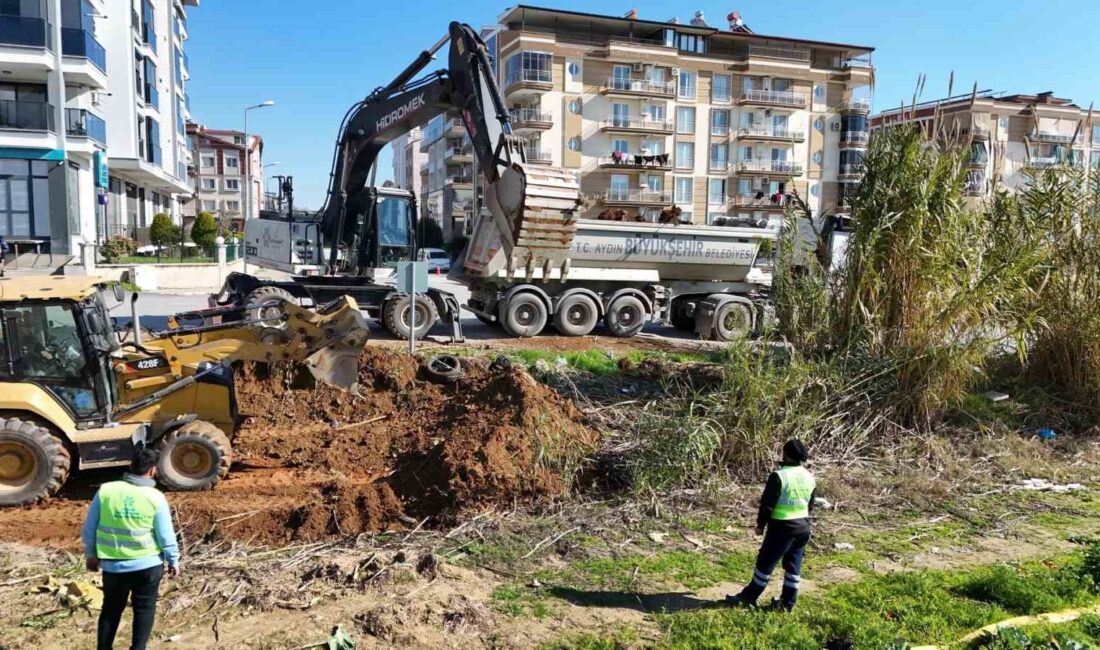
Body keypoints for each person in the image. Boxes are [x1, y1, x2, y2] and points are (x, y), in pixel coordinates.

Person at [82, 448, 180, 650]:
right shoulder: (156, 497)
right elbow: (165, 535)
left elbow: (89, 529)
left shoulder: (106, 491)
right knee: (144, 610)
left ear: (130, 466)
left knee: (110, 610)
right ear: (153, 471)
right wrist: (173, 559)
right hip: (148, 567)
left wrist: (91, 555)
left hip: (113, 567)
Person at [726, 439, 817, 611]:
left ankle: (747, 598)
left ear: (786, 454)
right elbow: (810, 504)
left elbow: (767, 505)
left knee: (766, 563)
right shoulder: (809, 477)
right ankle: (787, 604)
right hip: (803, 526)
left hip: (782, 528)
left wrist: (760, 525)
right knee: (793, 566)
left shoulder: (779, 476)